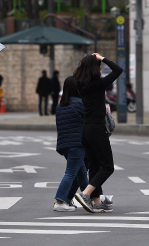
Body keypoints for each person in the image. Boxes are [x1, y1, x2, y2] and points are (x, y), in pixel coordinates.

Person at [73, 53, 123, 213]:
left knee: (94, 166)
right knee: (108, 167)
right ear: (95, 68)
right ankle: (85, 194)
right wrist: (102, 58)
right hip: (96, 130)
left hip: (85, 130)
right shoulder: (98, 85)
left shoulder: (81, 85)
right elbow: (118, 70)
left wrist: (94, 61)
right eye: (99, 66)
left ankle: (96, 202)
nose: (100, 68)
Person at [54, 76, 89, 212]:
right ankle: (59, 201)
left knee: (81, 174)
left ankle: (90, 199)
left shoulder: (61, 106)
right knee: (70, 173)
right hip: (77, 143)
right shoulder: (80, 103)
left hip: (65, 145)